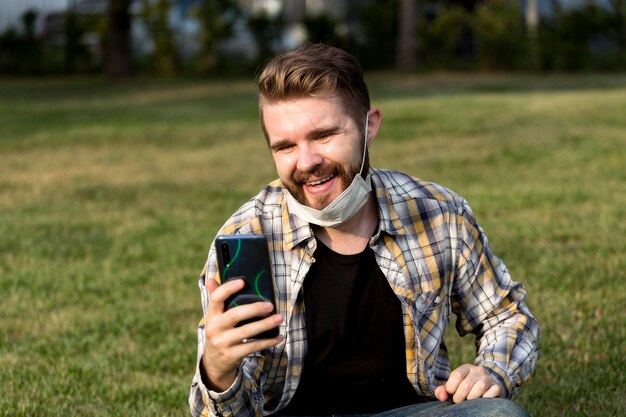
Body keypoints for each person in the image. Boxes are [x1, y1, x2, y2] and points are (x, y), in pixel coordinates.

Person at [188, 43, 539, 417]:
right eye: (285, 146)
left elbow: (506, 315)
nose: (306, 162)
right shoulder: (246, 235)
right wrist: (218, 371)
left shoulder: (437, 212)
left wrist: (491, 371)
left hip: (408, 413)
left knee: (499, 414)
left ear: (369, 127)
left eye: (323, 135)